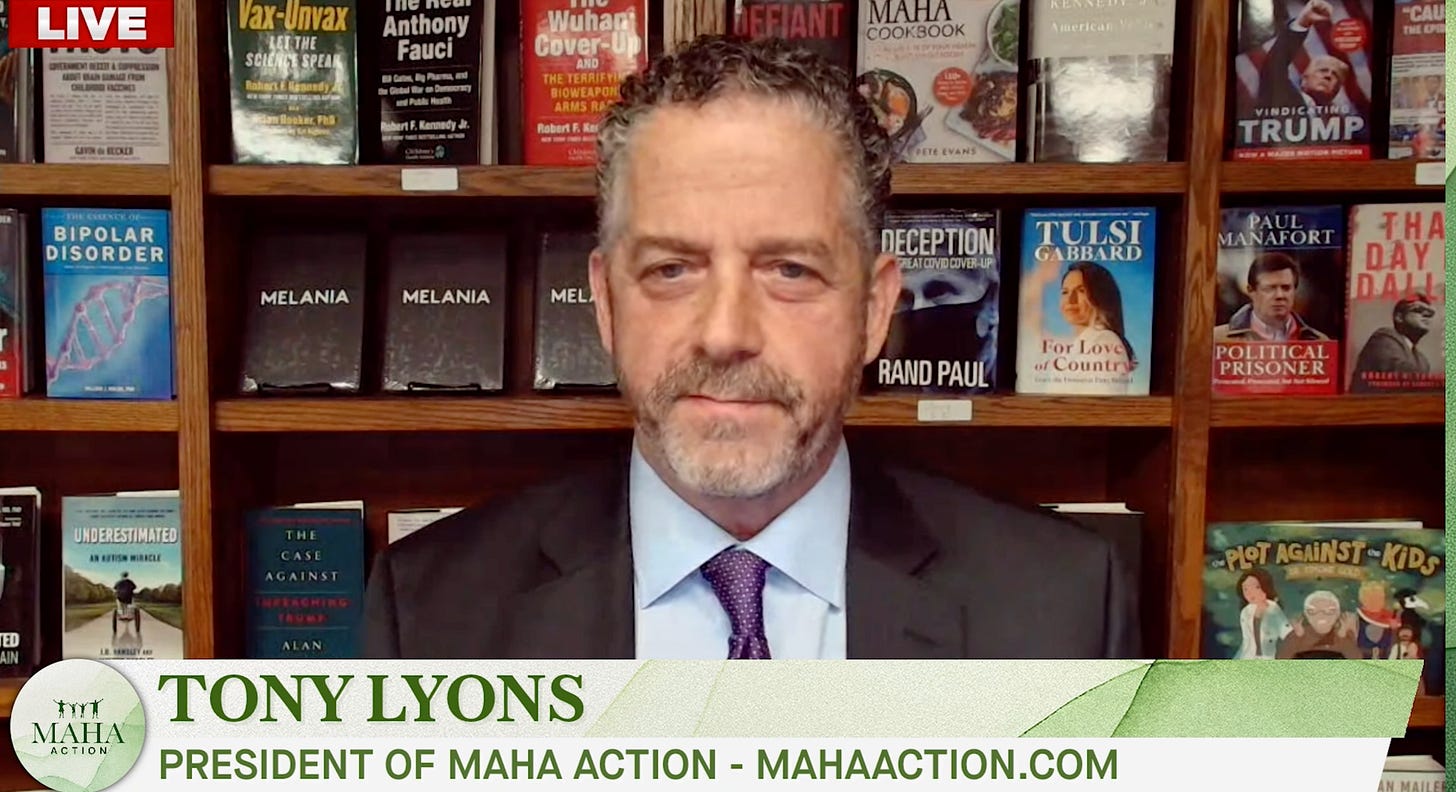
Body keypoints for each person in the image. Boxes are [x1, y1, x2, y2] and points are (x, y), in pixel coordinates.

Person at [362, 35, 1138, 661]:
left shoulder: (1063, 609)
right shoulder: (431, 617)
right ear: (605, 301)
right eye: (671, 270)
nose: (726, 333)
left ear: (874, 309)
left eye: (789, 270)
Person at [1017, 246, 1137, 394]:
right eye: (1065, 292)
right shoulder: (1078, 345)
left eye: (1081, 291)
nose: (1070, 300)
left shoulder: (1105, 342)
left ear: (1100, 296)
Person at [1254, 0, 1354, 121]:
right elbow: (1274, 66)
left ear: (1336, 91)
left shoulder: (1333, 125)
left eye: (1335, 75)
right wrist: (1303, 22)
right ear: (1304, 79)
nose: (1328, 76)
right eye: (1323, 70)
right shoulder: (1281, 95)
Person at [1214, 252, 1328, 342]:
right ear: (1251, 291)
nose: (1279, 295)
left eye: (1286, 288)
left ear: (1295, 290)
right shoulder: (1218, 339)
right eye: (1269, 288)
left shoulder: (1319, 341)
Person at [1348, 294, 1438, 391]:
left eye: (1430, 313)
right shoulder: (1383, 338)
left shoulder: (1422, 360)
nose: (1426, 315)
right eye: (1418, 310)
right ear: (1399, 317)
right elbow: (1400, 374)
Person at [1234, 568, 1290, 659]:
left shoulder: (1273, 609)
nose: (1250, 593)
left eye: (1256, 587)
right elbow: (1246, 641)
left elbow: (1286, 633)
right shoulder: (1246, 612)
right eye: (1245, 589)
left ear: (1265, 587)